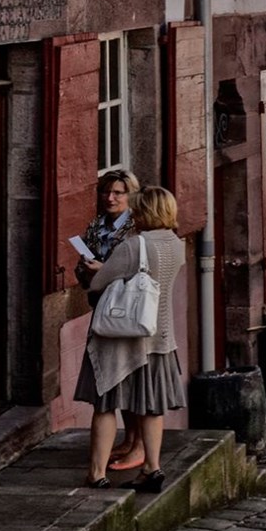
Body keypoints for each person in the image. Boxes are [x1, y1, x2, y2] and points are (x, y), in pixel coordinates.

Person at [74, 185, 187, 492]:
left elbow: (98, 283)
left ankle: (96, 473)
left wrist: (97, 268)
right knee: (151, 407)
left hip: (122, 338)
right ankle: (152, 468)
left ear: (145, 212)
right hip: (159, 336)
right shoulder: (177, 245)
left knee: (106, 404)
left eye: (136, 208)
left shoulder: (134, 245)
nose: (132, 213)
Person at [75, 169, 144, 470]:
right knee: (112, 375)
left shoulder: (135, 228)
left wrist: (101, 269)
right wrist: (86, 271)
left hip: (125, 309)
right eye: (106, 192)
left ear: (130, 196)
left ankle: (139, 444)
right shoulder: (96, 226)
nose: (110, 198)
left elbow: (136, 271)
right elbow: (83, 268)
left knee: (130, 374)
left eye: (118, 192)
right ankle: (128, 439)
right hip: (101, 304)